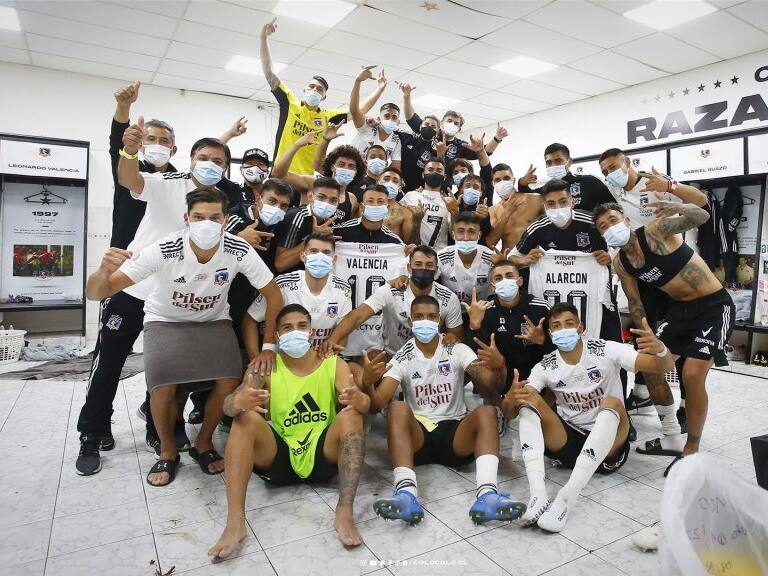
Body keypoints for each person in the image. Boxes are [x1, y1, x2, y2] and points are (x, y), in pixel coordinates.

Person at [84, 189, 283, 486]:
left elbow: (273, 294)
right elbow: (97, 292)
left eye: (215, 217)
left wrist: (268, 346)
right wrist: (102, 271)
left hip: (212, 320)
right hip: (165, 320)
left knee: (229, 380)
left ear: (225, 219)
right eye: (199, 217)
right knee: (162, 387)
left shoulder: (238, 248)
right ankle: (167, 450)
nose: (207, 224)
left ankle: (203, 443)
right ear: (186, 218)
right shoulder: (165, 247)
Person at [209, 304, 369, 557]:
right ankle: (235, 523)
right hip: (279, 456)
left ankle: (345, 511)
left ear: (311, 331)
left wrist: (361, 401)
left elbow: (360, 401)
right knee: (244, 419)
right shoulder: (265, 367)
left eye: (301, 326)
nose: (295, 331)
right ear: (276, 336)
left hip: (322, 454)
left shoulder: (333, 363)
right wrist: (237, 402)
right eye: (287, 327)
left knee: (351, 415)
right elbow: (229, 407)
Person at [504, 302, 673, 531]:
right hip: (570, 443)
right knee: (528, 401)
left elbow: (663, 365)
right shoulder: (546, 365)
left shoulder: (606, 349)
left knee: (612, 402)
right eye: (556, 326)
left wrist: (661, 349)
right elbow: (510, 412)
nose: (563, 329)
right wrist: (511, 398)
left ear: (581, 327)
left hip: (611, 446)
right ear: (550, 333)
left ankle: (567, 497)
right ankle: (538, 494)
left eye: (569, 324)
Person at [593, 202, 734, 475]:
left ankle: (691, 448)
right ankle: (671, 437)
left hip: (714, 306)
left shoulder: (655, 231)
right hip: (679, 311)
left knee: (692, 376)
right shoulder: (620, 263)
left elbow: (702, 216)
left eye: (612, 220)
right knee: (650, 367)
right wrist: (646, 333)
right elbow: (634, 303)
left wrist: (677, 204)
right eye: (603, 226)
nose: (610, 227)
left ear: (624, 218)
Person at [361, 296, 526, 525]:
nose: (425, 321)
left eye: (431, 316)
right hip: (418, 435)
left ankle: (487, 495)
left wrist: (499, 366)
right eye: (419, 316)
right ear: (410, 320)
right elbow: (378, 403)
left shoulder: (456, 348)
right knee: (397, 407)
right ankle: (406, 493)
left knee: (486, 412)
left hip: (454, 434)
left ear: (439, 320)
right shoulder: (403, 356)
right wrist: (367, 383)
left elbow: (492, 384)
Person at [599, 147, 707, 424]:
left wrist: (671, 186)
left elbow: (701, 202)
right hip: (640, 272)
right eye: (605, 171)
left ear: (627, 162)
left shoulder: (655, 182)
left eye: (613, 167)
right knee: (643, 332)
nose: (611, 174)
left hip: (674, 268)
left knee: (679, 339)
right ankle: (642, 392)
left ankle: (683, 405)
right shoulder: (615, 194)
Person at [259, 18, 383, 175]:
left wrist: (379, 88)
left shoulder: (328, 117)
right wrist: (264, 39)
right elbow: (269, 73)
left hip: (308, 181)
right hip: (281, 174)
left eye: (320, 89)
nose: (315, 90)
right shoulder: (290, 102)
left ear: (324, 97)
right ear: (304, 90)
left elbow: (360, 110)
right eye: (311, 87)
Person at [324, 246, 463, 357]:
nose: (424, 269)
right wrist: (331, 342)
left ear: (436, 270)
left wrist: (452, 338)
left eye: (429, 265)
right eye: (418, 264)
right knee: (364, 370)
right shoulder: (391, 290)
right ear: (409, 268)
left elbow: (456, 334)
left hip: (431, 356)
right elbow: (357, 316)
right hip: (391, 354)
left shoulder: (448, 298)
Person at [243, 233, 352, 358]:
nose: (320, 257)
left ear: (334, 259)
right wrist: (256, 358)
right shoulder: (282, 285)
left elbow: (343, 332)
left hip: (320, 362)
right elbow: (250, 320)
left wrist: (330, 353)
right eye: (314, 251)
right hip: (282, 361)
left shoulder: (343, 289)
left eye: (326, 252)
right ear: (303, 256)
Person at [465, 260, 550, 393]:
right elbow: (473, 352)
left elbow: (558, 350)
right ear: (493, 286)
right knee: (479, 366)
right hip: (501, 372)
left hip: (538, 374)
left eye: (509, 276)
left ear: (520, 281)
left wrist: (542, 340)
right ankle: (494, 403)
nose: (504, 281)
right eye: (498, 278)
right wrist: (474, 325)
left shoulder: (541, 307)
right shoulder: (485, 310)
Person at [271, 130, 363, 222]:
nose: (346, 169)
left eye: (351, 166)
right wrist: (297, 145)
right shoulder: (313, 184)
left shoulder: (352, 199)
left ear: (356, 171)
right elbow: (279, 175)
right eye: (341, 164)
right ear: (332, 166)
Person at [518, 143, 617, 212]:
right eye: (549, 163)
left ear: (569, 162)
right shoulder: (547, 189)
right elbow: (528, 195)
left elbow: (613, 208)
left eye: (558, 161)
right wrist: (522, 183)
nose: (553, 165)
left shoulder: (589, 182)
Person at [274, 177, 341, 274]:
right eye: (321, 197)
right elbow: (280, 264)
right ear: (310, 196)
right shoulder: (296, 217)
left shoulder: (331, 222)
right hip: (285, 281)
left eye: (333, 200)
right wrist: (312, 237)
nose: (327, 203)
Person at [437, 212, 495, 306]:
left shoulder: (491, 257)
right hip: (450, 310)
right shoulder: (441, 257)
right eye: (460, 231)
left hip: (483, 310)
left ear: (479, 235)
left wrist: (502, 263)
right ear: (453, 234)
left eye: (471, 232)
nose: (466, 238)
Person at [350, 65, 401, 171]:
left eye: (394, 117)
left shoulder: (396, 140)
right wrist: (358, 81)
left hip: (372, 179)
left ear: (398, 122)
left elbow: (396, 167)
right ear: (379, 118)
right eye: (386, 116)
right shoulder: (367, 128)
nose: (390, 119)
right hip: (351, 172)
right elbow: (354, 111)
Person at [400, 158, 458, 250]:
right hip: (412, 254)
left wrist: (455, 212)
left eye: (439, 170)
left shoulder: (449, 202)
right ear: (423, 175)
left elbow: (454, 234)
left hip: (439, 257)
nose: (434, 173)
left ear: (445, 176)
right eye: (430, 170)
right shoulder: (410, 196)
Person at [487, 163, 543, 252]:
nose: (502, 182)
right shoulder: (492, 211)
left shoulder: (535, 199)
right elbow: (490, 244)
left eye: (506, 178)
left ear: (513, 180)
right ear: (493, 184)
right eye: (497, 180)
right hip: (510, 262)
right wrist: (506, 213)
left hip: (536, 259)